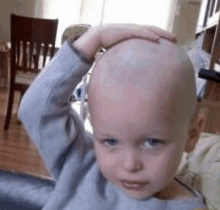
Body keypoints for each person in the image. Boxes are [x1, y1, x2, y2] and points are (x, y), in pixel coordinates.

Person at [18, 24, 208, 210]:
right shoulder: (82, 163)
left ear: (192, 135)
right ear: (94, 126)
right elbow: (35, 109)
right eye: (110, 141)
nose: (130, 165)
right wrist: (94, 38)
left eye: (152, 142)